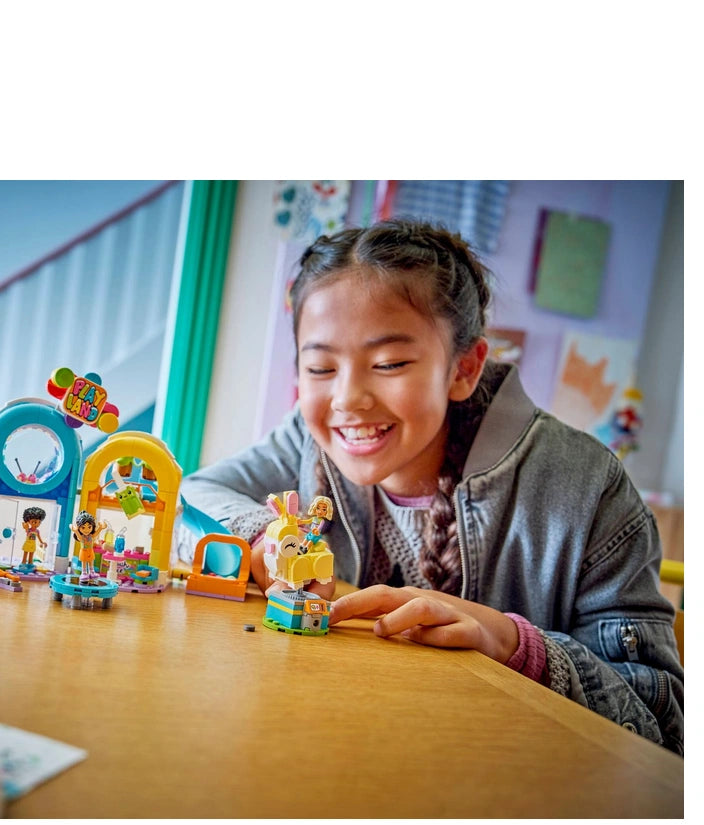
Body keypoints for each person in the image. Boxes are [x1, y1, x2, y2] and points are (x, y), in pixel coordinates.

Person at [181, 220, 684, 755]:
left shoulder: (588, 489)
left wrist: (514, 645)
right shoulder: (307, 440)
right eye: (321, 367)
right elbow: (192, 494)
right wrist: (263, 537)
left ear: (464, 368)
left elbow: (663, 730)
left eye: (389, 363)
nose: (347, 399)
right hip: (341, 744)